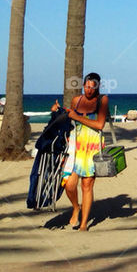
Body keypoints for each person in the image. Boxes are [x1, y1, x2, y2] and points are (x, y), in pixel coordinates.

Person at [51, 72, 109, 232]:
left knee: (86, 185)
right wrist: (57, 111)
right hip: (75, 146)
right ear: (83, 85)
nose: (89, 90)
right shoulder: (77, 100)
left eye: (92, 87)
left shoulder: (102, 100)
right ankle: (76, 207)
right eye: (87, 86)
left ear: (98, 87)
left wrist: (77, 116)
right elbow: (68, 118)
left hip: (92, 146)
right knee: (69, 184)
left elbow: (99, 125)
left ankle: (84, 224)